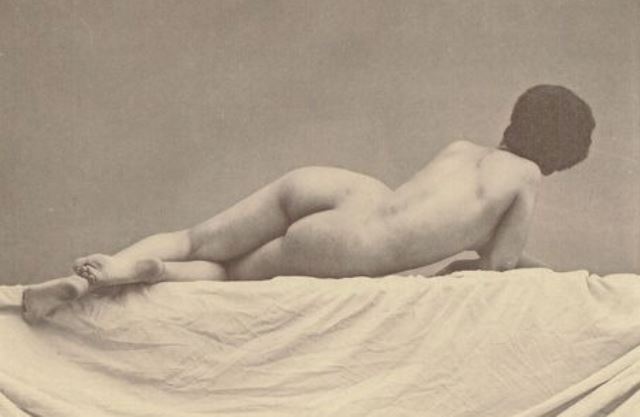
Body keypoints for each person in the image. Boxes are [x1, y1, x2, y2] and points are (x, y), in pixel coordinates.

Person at [22, 84, 595, 322]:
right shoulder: (525, 179)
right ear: (559, 154)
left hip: (348, 191)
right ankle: (154, 274)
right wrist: (549, 271)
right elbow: (497, 268)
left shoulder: (464, 150)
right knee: (226, 275)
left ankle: (108, 269)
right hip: (351, 245)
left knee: (196, 239)